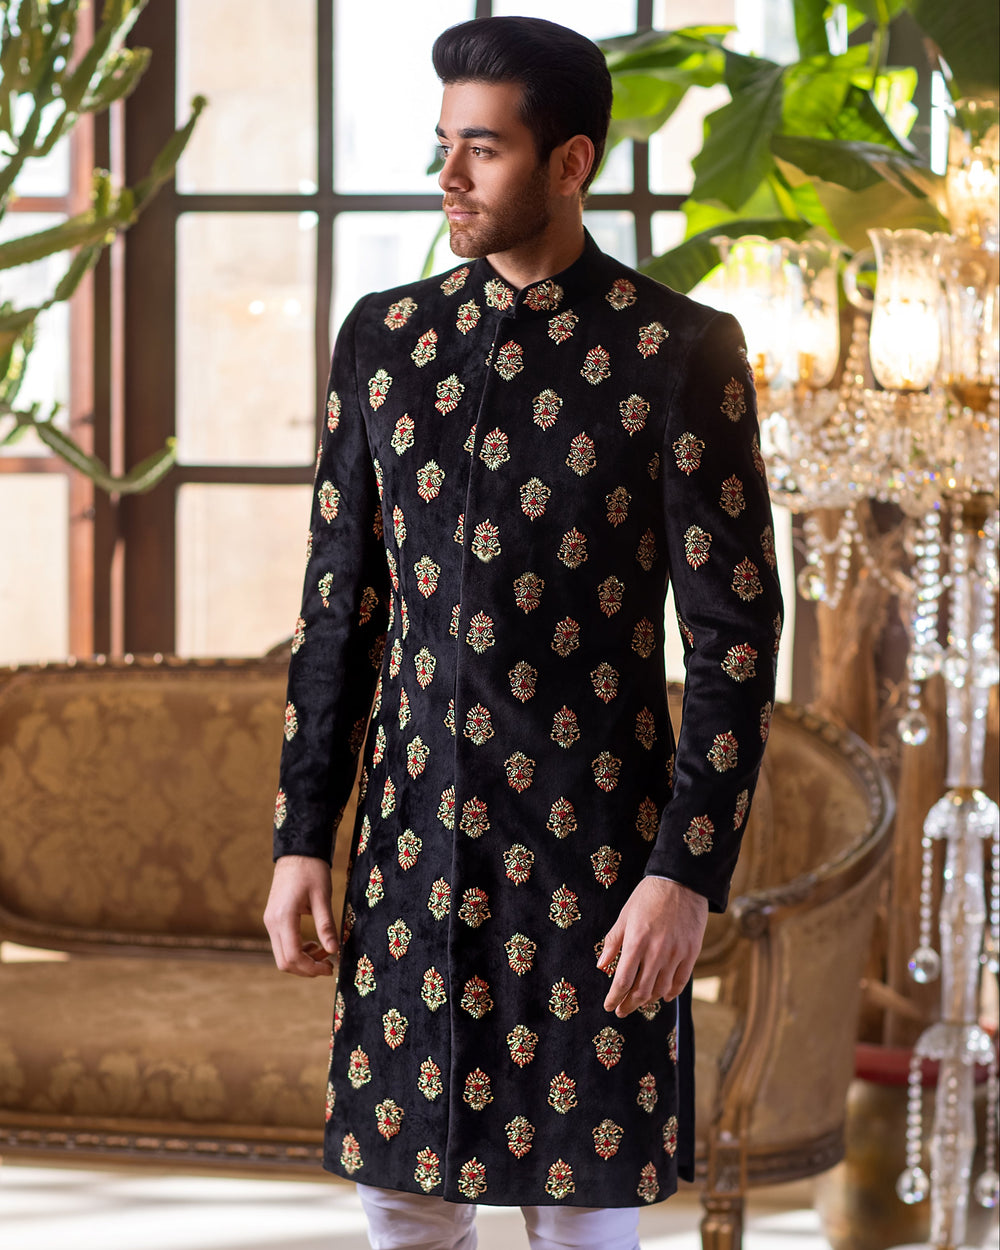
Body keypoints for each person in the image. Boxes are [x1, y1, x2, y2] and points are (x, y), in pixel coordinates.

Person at [264, 15, 782, 1250]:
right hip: (411, 844)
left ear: (568, 162)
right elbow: (339, 608)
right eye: (443, 144)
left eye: (482, 149)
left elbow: (735, 638)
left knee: (580, 1205)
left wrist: (684, 872)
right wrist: (301, 836)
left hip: (595, 856)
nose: (448, 176)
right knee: (404, 1193)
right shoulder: (383, 343)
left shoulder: (679, 351)